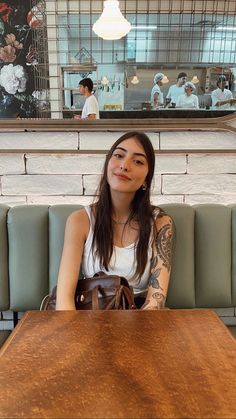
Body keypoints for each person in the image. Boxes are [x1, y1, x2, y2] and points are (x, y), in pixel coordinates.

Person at [56, 131, 174, 311]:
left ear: (146, 180)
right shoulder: (80, 221)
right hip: (92, 319)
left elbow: (156, 300)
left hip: (143, 321)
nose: (125, 165)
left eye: (138, 161)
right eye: (119, 155)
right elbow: (64, 302)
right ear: (107, 164)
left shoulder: (160, 223)